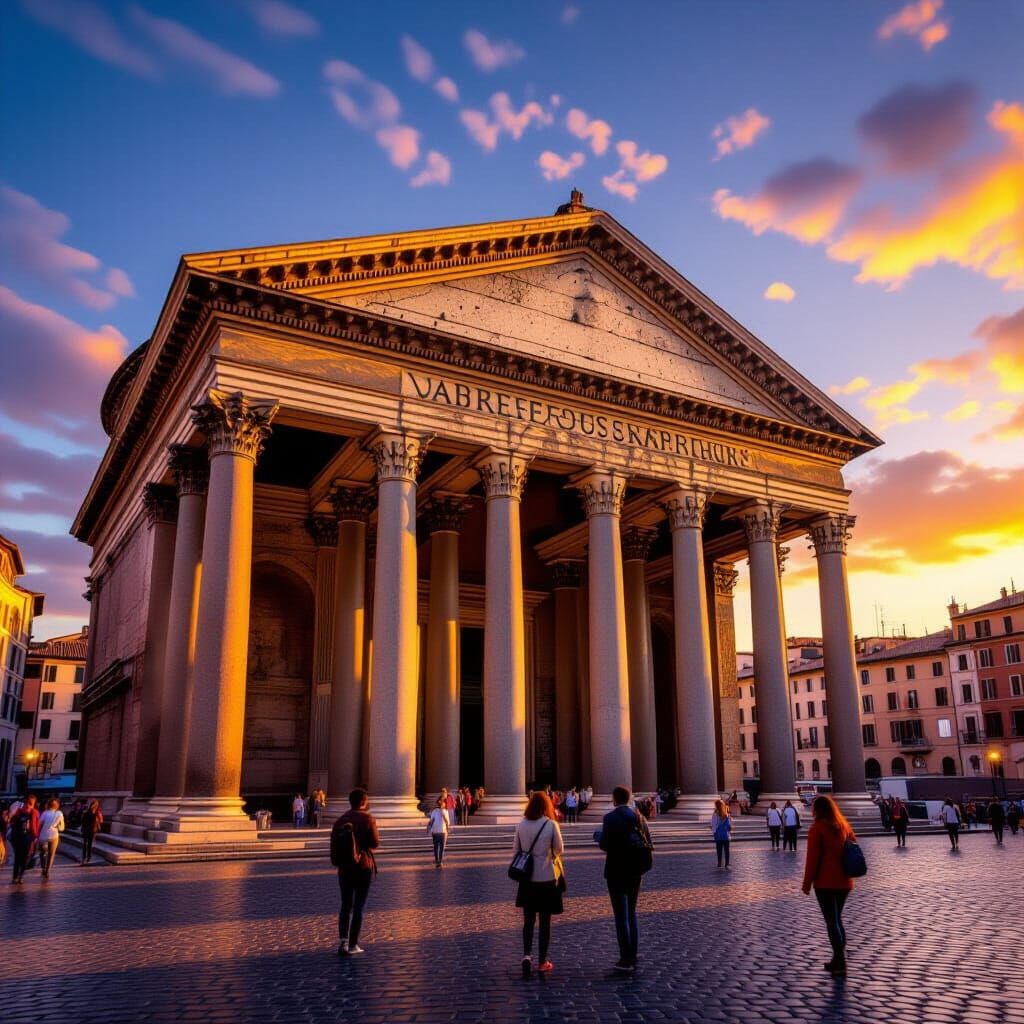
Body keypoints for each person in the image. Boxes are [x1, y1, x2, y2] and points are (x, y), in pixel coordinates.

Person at [594, 785, 652, 973]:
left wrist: (598, 837)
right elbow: (648, 841)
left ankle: (625, 958)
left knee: (620, 915)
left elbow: (605, 845)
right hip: (636, 869)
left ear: (614, 799)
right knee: (632, 913)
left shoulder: (610, 818)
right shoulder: (639, 817)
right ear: (628, 799)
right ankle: (633, 954)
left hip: (616, 870)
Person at [801, 796, 857, 978]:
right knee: (837, 920)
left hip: (825, 883)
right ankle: (837, 958)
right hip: (844, 882)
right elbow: (853, 848)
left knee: (832, 922)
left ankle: (840, 960)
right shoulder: (843, 826)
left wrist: (807, 883)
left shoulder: (817, 829)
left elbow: (812, 860)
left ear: (817, 810)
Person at [513, 791, 565, 976]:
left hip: (527, 881)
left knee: (528, 921)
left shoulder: (521, 824)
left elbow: (516, 851)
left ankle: (526, 955)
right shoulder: (551, 824)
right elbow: (559, 849)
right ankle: (543, 961)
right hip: (546, 878)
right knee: (545, 922)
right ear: (546, 806)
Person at [331, 788, 380, 956]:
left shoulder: (340, 820)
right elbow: (374, 843)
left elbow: (334, 846)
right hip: (362, 866)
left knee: (345, 905)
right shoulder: (367, 818)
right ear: (363, 802)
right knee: (359, 906)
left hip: (344, 868)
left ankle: (343, 942)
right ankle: (353, 945)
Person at [9, 795, 40, 885]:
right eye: (28, 803)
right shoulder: (19, 812)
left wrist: (35, 837)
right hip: (18, 838)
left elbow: (36, 826)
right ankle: (15, 877)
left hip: (28, 838)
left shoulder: (34, 813)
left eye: (31, 803)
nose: (29, 805)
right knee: (18, 858)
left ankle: (20, 876)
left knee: (25, 858)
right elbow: (12, 823)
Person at [36, 798, 65, 880]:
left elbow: (39, 824)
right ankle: (48, 870)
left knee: (43, 853)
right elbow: (62, 828)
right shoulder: (59, 814)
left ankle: (43, 868)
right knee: (51, 854)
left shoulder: (45, 813)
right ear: (57, 806)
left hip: (43, 836)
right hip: (54, 835)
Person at [428, 797, 450, 867]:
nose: (444, 804)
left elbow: (431, 821)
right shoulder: (442, 811)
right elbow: (447, 822)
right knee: (440, 847)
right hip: (440, 831)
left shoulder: (436, 811)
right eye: (443, 802)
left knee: (437, 847)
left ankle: (438, 861)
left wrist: (429, 828)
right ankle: (439, 861)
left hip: (437, 831)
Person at [80, 799, 103, 865]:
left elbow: (82, 821)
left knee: (85, 844)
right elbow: (101, 821)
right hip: (93, 830)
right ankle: (88, 858)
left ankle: (84, 857)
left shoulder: (86, 812)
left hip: (85, 830)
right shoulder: (97, 813)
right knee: (90, 844)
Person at [711, 798, 732, 868]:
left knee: (719, 850)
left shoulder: (715, 814)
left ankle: (719, 863)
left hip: (718, 835)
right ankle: (727, 864)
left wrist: (714, 833)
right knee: (727, 850)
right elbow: (729, 826)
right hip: (726, 835)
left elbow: (713, 825)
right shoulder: (727, 815)